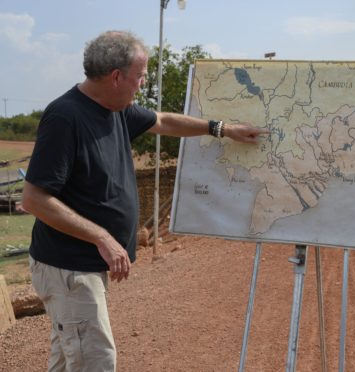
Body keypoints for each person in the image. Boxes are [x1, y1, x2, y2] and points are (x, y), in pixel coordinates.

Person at [22, 30, 268, 372]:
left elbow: (165, 121)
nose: (143, 83)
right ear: (116, 77)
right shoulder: (65, 117)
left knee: (69, 360)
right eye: (140, 76)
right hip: (68, 267)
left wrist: (222, 129)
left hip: (81, 267)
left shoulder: (116, 108)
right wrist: (103, 237)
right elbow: (34, 199)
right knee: (96, 362)